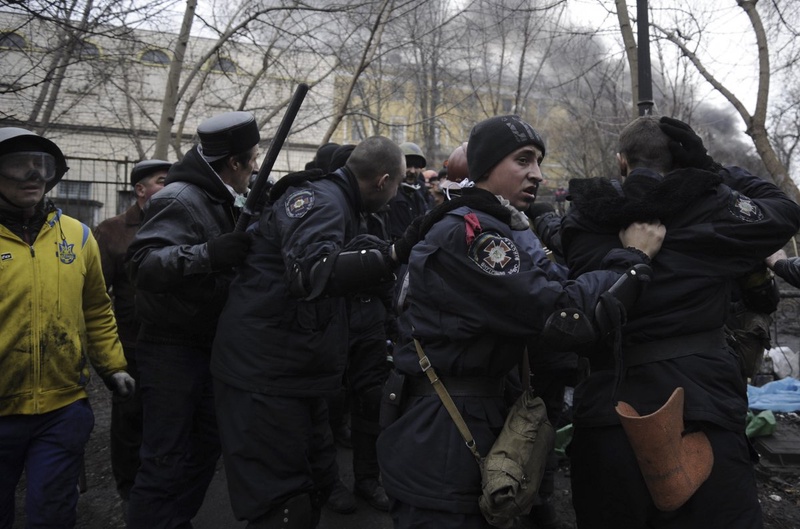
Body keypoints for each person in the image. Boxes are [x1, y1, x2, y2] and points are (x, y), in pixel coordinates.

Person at [376, 114, 665, 529]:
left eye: (539, 162)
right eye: (523, 160)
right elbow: (565, 316)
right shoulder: (474, 234)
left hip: (462, 420)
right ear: (486, 167)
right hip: (442, 437)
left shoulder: (497, 224)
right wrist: (632, 261)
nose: (537, 175)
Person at [559, 116, 800, 529]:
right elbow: (784, 211)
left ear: (621, 163)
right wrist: (711, 170)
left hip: (609, 411)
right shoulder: (712, 207)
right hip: (700, 405)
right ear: (681, 161)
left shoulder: (585, 220)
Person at [210, 136, 406, 528]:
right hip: (264, 375)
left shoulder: (339, 203)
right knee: (280, 504)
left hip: (293, 371)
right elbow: (312, 272)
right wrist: (389, 256)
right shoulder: (323, 202)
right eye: (398, 185)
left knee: (307, 490)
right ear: (383, 181)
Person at [125, 111, 260, 529]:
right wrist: (209, 254)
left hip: (205, 344)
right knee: (167, 456)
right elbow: (143, 264)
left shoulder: (220, 193)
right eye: (252, 159)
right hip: (170, 351)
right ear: (233, 163)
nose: (256, 166)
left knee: (203, 447)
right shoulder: (179, 197)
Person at [0, 127, 134, 529]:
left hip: (63, 408)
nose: (32, 175)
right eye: (17, 164)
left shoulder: (77, 236)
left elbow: (95, 307)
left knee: (53, 513)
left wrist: (113, 367)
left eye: (40, 165)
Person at [93, 159, 170, 507]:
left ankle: (159, 485)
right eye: (161, 181)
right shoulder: (111, 231)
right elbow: (96, 295)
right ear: (140, 189)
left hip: (171, 342)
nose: (168, 188)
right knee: (128, 419)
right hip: (130, 344)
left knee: (166, 418)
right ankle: (129, 490)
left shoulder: (176, 223)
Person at [386, 142, 430, 240]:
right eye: (408, 165)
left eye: (417, 167)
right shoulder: (388, 194)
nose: (413, 171)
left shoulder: (420, 193)